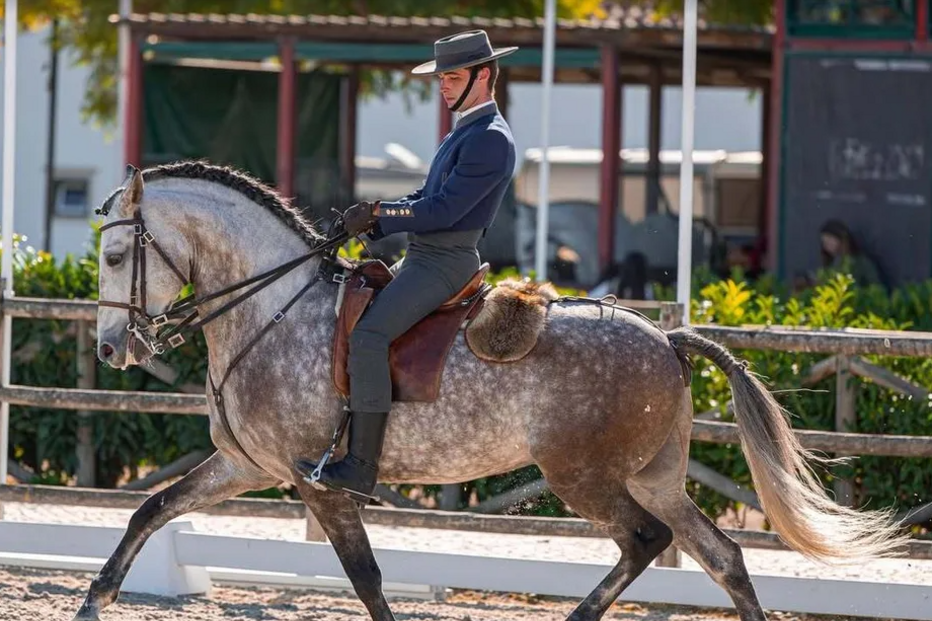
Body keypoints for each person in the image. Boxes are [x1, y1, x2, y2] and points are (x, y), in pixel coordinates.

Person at [295, 30, 518, 500]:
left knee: (370, 335)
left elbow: (443, 211)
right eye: (441, 78)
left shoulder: (490, 140)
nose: (442, 86)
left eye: (452, 77)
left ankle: (360, 467)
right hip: (422, 255)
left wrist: (381, 214)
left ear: (483, 75)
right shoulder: (463, 132)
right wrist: (373, 220)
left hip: (445, 261)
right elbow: (424, 198)